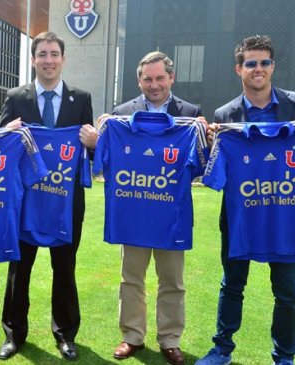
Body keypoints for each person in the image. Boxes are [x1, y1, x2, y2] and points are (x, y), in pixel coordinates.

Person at [196, 35, 295, 365]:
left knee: (288, 293)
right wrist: (211, 142)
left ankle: (284, 357)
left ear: (272, 66)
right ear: (239, 69)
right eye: (251, 63)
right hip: (240, 216)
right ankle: (222, 350)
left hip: (287, 216)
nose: (258, 69)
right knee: (231, 285)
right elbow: (212, 173)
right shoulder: (226, 114)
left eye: (264, 62)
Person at [0, 31, 96, 361]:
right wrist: (5, 134)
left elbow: (90, 155)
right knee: (18, 270)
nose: (49, 60)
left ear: (63, 59)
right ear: (33, 59)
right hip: (25, 202)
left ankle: (66, 335)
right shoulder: (16, 97)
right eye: (42, 54)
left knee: (64, 269)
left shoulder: (81, 98)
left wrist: (94, 142)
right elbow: (1, 151)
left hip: (66, 203)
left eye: (54, 54)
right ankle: (14, 334)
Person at [102, 51, 204, 365]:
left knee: (172, 280)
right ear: (139, 80)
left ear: (171, 78)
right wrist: (99, 134)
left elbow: (200, 164)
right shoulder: (120, 114)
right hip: (133, 212)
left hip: (169, 214)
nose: (154, 84)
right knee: (131, 277)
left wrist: (205, 135)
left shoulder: (190, 113)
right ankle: (132, 336)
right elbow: (105, 163)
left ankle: (170, 340)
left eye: (160, 77)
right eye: (147, 78)